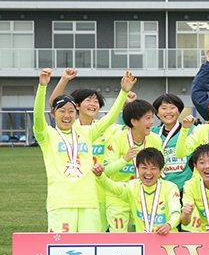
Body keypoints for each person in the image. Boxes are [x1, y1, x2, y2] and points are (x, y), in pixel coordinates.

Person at [33, 68, 136, 233]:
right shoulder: (47, 135)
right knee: (63, 250)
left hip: (89, 201)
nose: (67, 115)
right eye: (62, 111)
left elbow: (109, 119)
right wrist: (42, 87)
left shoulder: (86, 133)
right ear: (53, 114)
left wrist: (123, 93)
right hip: (61, 201)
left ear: (75, 113)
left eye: (71, 111)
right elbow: (38, 117)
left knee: (91, 249)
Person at [103, 100, 163, 232]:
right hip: (118, 193)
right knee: (117, 237)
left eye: (152, 118)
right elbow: (106, 170)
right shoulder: (117, 139)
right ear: (134, 121)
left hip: (143, 194)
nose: (152, 122)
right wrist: (125, 159)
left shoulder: (155, 140)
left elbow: (160, 169)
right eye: (147, 118)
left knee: (145, 233)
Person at [94, 148, 181, 234]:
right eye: (144, 168)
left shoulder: (170, 188)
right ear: (137, 168)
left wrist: (169, 225)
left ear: (160, 170)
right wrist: (100, 176)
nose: (148, 172)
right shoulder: (132, 187)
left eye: (153, 168)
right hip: (143, 242)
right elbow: (112, 187)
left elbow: (176, 213)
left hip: (168, 242)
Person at [151, 94, 193, 196]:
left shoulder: (191, 130)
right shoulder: (152, 133)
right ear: (157, 113)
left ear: (179, 111)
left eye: (173, 108)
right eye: (164, 108)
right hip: (160, 188)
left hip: (186, 188)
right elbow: (131, 131)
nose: (168, 112)